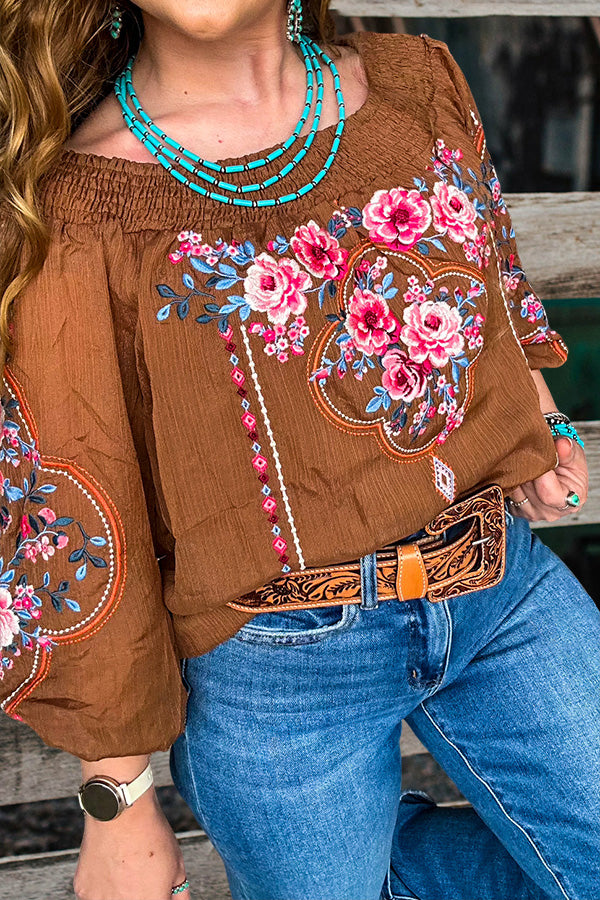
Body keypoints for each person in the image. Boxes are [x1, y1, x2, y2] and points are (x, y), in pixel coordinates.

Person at [0, 1, 597, 898]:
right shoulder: (79, 206)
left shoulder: (417, 83)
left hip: (500, 589)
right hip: (277, 677)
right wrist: (118, 809)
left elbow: (486, 277)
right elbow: (82, 505)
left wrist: (534, 417)